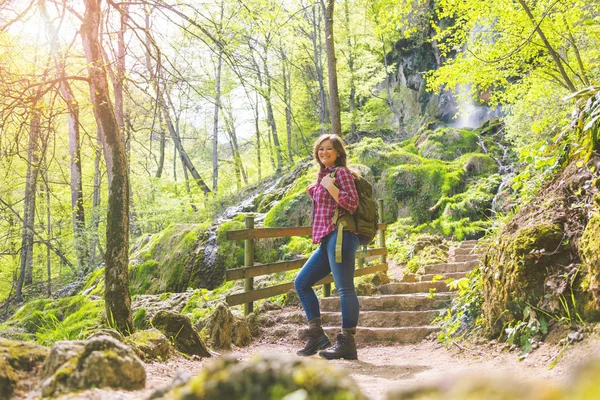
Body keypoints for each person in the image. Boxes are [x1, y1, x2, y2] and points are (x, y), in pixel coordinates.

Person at [294, 133, 360, 360]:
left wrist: (329, 187)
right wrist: (319, 186)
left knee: (345, 288)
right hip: (326, 240)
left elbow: (351, 203)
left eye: (329, 149)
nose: (324, 153)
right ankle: (317, 335)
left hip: (341, 236)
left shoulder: (341, 173)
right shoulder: (324, 175)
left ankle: (347, 341)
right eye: (320, 149)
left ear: (338, 152)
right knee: (302, 282)